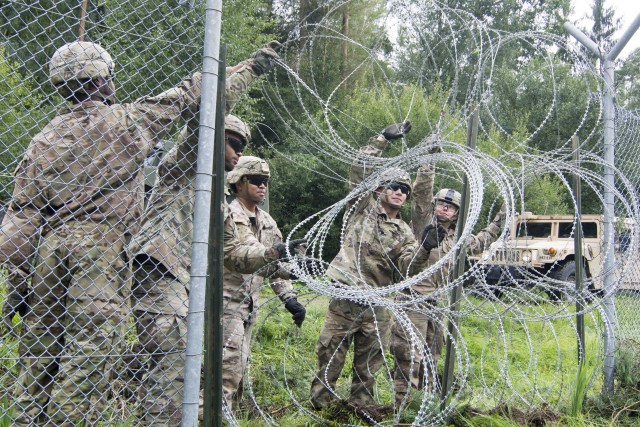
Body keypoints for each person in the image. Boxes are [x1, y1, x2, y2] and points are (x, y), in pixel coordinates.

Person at [0, 40, 206, 426]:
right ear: (102, 80)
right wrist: (235, 69)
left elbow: (21, 221)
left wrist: (18, 287)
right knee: (90, 350)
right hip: (99, 249)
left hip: (48, 251)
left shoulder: (44, 138)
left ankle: (26, 420)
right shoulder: (126, 121)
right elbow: (185, 94)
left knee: (41, 347)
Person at [127, 43, 305, 425]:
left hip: (185, 283)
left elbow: (233, 255)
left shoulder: (219, 201)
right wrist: (252, 70)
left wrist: (278, 257)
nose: (239, 154)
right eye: (233, 144)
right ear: (213, 138)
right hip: (161, 271)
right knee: (173, 374)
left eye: (243, 147)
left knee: (183, 373)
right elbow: (209, 111)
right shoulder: (186, 165)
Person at [309, 121, 431, 411]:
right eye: (394, 186)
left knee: (368, 365)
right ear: (379, 189)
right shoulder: (361, 209)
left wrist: (426, 247)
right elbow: (359, 169)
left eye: (405, 189)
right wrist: (382, 140)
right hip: (346, 298)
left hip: (377, 303)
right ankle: (319, 407)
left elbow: (407, 264)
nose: (400, 192)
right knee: (331, 356)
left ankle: (359, 409)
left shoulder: (403, 231)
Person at [390, 160, 505, 406]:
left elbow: (481, 240)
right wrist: (427, 166)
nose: (444, 208)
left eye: (450, 207)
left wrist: (501, 218)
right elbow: (421, 196)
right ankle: (402, 407)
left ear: (456, 213)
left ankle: (426, 406)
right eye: (441, 203)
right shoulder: (422, 224)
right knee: (409, 357)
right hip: (413, 299)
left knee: (432, 357)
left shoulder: (457, 238)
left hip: (437, 303)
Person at [222, 156, 306, 407]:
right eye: (257, 180)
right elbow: (250, 253)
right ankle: (209, 415)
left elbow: (274, 266)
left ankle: (229, 416)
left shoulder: (268, 222)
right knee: (228, 364)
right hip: (225, 301)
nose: (263, 186)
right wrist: (281, 259)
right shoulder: (229, 214)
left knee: (241, 365)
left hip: (249, 304)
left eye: (266, 181)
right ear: (238, 182)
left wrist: (290, 297)